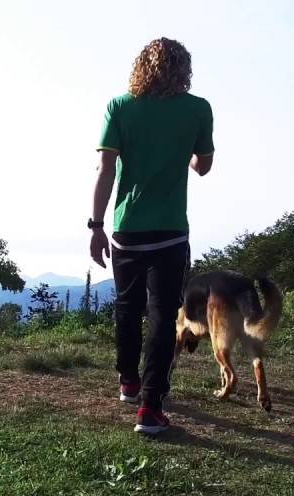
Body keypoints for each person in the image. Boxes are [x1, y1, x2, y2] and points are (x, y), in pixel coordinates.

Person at [89, 37, 214, 435]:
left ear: (140, 66)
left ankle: (128, 381)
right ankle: (150, 405)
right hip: (171, 231)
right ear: (184, 69)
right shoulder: (198, 109)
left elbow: (104, 170)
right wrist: (184, 153)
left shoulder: (120, 106)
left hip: (128, 229)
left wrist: (96, 226)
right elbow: (203, 166)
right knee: (163, 315)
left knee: (127, 307)